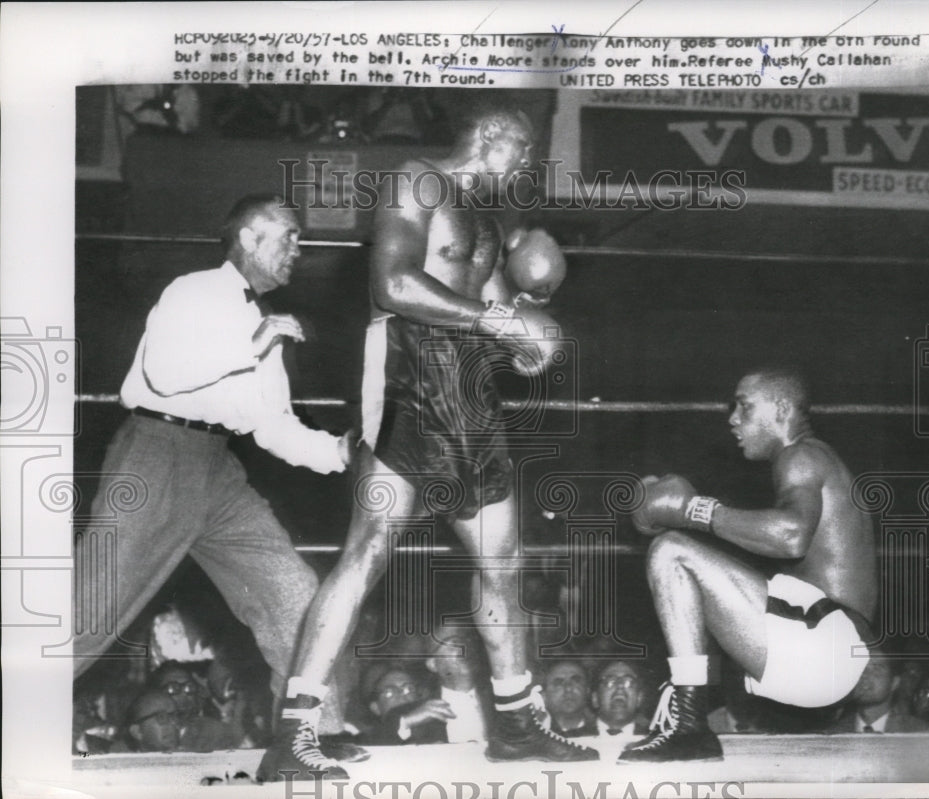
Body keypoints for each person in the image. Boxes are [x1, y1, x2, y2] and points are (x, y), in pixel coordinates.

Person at [258, 96, 592, 781]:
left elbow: (494, 311)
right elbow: (393, 282)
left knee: (505, 559)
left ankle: (518, 720)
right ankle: (294, 730)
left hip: (471, 391)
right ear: (494, 139)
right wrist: (499, 324)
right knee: (370, 548)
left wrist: (531, 328)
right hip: (409, 373)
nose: (526, 168)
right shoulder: (415, 180)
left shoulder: (491, 223)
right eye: (524, 154)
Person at [74, 195, 355, 714]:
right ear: (249, 237)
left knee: (294, 593)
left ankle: (313, 732)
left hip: (219, 471)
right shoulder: (193, 290)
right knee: (90, 609)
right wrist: (253, 342)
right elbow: (163, 373)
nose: (300, 247)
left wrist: (340, 450)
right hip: (155, 454)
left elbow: (273, 428)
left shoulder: (264, 319)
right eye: (288, 234)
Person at [619, 367, 877, 763]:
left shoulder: (801, 456)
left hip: (825, 645)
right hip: (831, 652)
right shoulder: (819, 460)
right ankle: (688, 720)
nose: (733, 419)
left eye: (744, 406)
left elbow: (791, 536)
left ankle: (689, 724)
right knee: (695, 565)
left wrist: (693, 510)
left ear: (780, 408)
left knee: (671, 550)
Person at [828, 650, 929, 733]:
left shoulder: (918, 733)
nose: (864, 675)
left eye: (876, 668)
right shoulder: (832, 736)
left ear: (894, 683)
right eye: (859, 667)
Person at [592, 660, 649, 738]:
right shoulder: (572, 740)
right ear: (595, 699)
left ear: (639, 698)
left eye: (628, 682)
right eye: (610, 682)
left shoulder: (654, 739)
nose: (620, 686)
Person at [541, 660, 597, 738]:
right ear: (544, 696)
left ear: (587, 690)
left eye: (576, 681)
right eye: (558, 683)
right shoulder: (535, 733)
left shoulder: (604, 732)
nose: (568, 688)